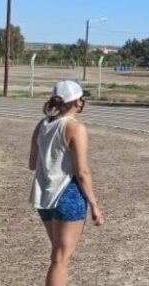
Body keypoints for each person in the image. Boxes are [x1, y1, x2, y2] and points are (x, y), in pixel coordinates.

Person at [30, 80, 103, 286]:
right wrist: (95, 206)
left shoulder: (42, 125)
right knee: (61, 259)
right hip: (67, 194)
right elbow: (82, 172)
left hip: (44, 194)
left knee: (58, 255)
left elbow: (31, 163)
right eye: (81, 98)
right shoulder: (76, 128)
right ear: (75, 102)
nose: (82, 102)